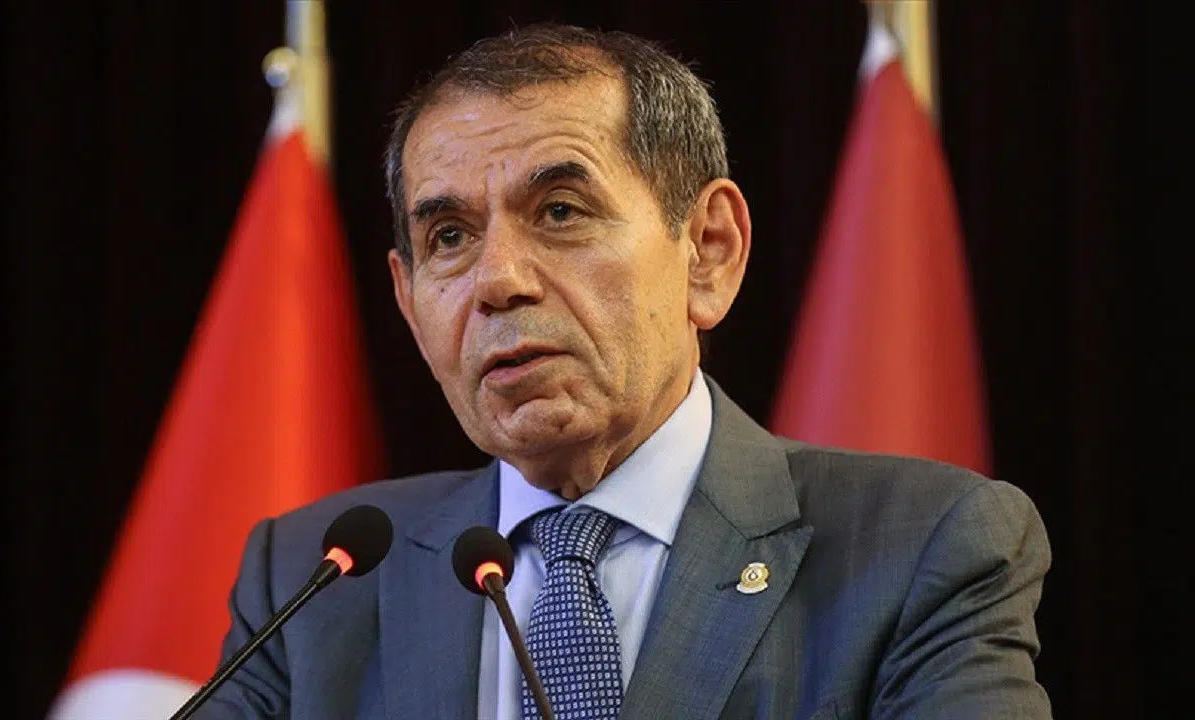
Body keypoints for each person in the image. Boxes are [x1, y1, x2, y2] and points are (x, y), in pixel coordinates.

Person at [197, 24, 1052, 720]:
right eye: (449, 237)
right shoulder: (317, 578)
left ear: (708, 251)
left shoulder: (919, 550)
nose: (499, 281)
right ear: (409, 303)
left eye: (560, 211)